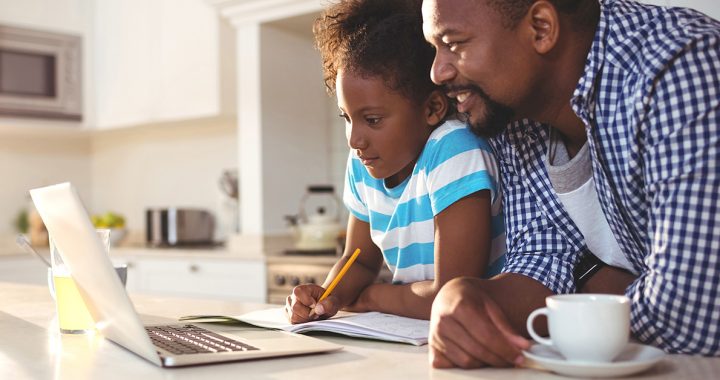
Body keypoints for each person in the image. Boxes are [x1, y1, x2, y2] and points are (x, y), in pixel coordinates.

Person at [421, 0, 720, 368]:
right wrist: (470, 297)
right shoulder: (515, 115)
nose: (437, 72)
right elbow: (542, 257)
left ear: (542, 29)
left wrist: (589, 292)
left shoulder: (678, 66)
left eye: (454, 43)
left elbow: (690, 311)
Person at [285, 0, 506, 323]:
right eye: (347, 118)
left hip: (478, 329)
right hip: (416, 329)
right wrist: (329, 296)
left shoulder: (454, 150)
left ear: (432, 109)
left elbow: (453, 294)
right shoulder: (363, 166)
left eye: (372, 120)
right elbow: (358, 262)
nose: (354, 139)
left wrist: (372, 296)